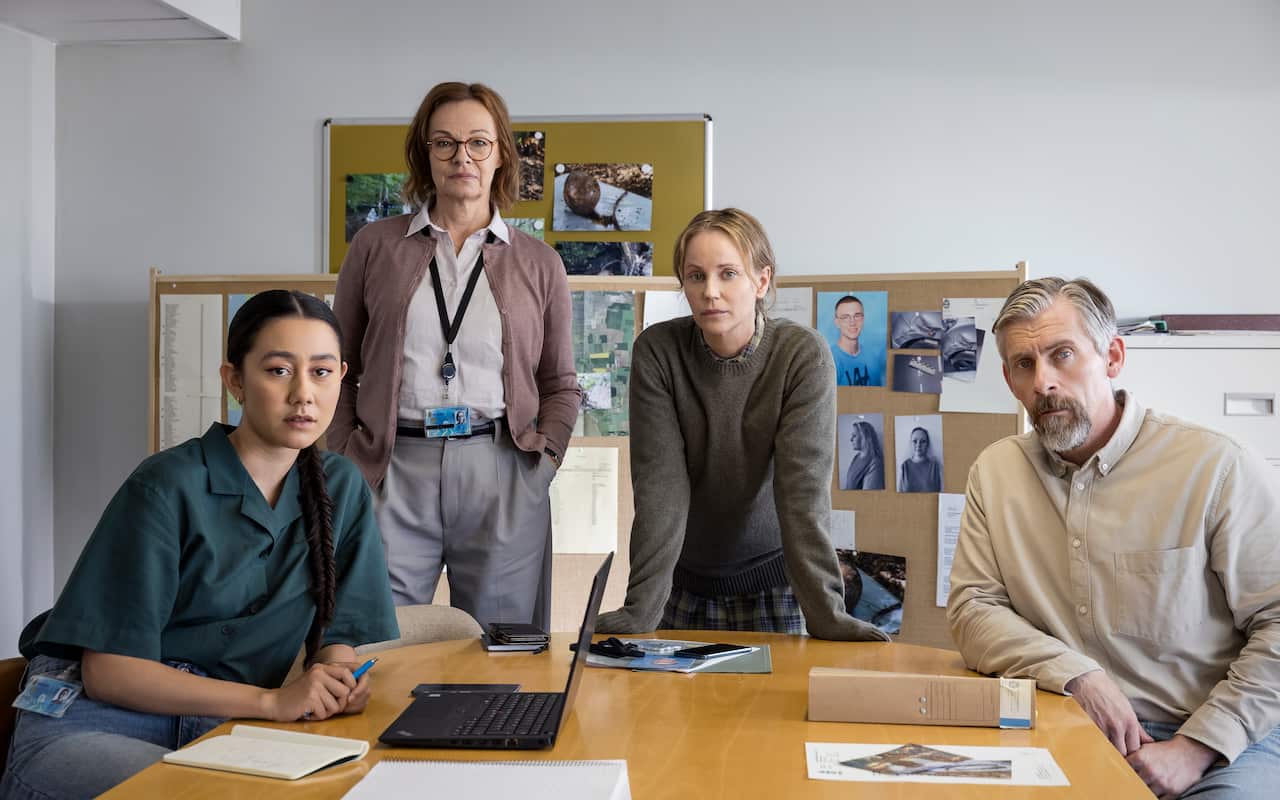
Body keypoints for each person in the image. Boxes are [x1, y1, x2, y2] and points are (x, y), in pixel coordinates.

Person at [0, 290, 400, 799]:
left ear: (341, 378)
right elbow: (109, 672)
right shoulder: (166, 484)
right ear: (234, 379)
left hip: (225, 729)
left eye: (321, 372)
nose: (304, 393)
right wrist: (272, 702)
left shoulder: (341, 486)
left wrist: (335, 677)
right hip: (97, 720)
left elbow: (339, 632)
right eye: (278, 370)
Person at [947, 277, 1280, 799]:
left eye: (1063, 355)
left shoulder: (1216, 466)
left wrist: (1196, 747)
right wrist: (1078, 675)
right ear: (1010, 381)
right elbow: (973, 608)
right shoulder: (996, 472)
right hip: (1066, 721)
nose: (1044, 382)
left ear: (1113, 357)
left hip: (1223, 738)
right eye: (1024, 364)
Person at [329, 82, 579, 631]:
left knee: (501, 649)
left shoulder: (539, 263)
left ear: (500, 154)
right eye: (444, 143)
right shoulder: (375, 246)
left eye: (477, 143)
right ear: (425, 153)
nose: (461, 157)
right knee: (376, 644)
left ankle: (495, 726)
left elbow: (560, 382)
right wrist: (348, 459)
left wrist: (542, 465)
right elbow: (336, 367)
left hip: (501, 467)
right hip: (393, 469)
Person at [595, 209, 887, 642]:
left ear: (761, 281)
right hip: (682, 587)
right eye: (695, 276)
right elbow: (660, 488)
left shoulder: (800, 355)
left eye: (727, 273)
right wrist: (641, 609)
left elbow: (802, 493)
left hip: (778, 586)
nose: (710, 291)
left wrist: (827, 614)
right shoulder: (659, 352)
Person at [830, 295, 884, 386]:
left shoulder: (872, 357)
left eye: (857, 316)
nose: (852, 322)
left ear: (863, 319)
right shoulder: (830, 361)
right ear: (837, 323)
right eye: (845, 317)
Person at [842, 420, 885, 490]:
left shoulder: (875, 463)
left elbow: (868, 497)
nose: (851, 439)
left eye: (854, 435)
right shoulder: (856, 457)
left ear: (865, 437)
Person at [897, 426, 942, 492]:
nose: (918, 445)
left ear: (927, 444)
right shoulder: (904, 466)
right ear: (910, 443)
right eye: (915, 441)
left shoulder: (935, 466)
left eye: (923, 441)